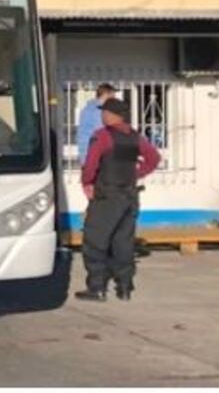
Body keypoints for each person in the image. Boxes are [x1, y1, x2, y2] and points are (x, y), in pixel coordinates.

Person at [75, 97, 161, 303]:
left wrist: (87, 183)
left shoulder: (102, 136)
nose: (102, 115)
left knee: (95, 241)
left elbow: (91, 165)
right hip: (130, 196)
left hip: (107, 196)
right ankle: (124, 288)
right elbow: (154, 158)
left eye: (105, 112)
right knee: (123, 242)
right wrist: (136, 175)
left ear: (115, 115)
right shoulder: (135, 137)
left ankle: (97, 288)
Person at [76, 84, 116, 166]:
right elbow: (104, 133)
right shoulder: (98, 111)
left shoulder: (88, 108)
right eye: (112, 96)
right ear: (105, 95)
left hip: (87, 154)